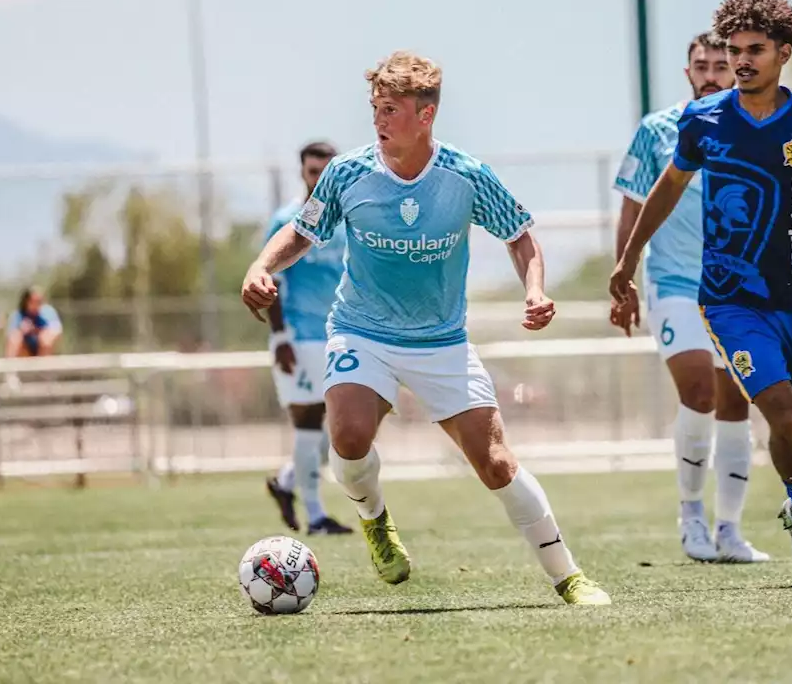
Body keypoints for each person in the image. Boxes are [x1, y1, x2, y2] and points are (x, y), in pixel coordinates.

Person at [241, 51, 610, 606]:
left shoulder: (465, 176)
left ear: (426, 115)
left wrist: (534, 288)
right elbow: (301, 232)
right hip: (362, 331)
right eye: (375, 109)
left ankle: (568, 576)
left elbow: (520, 235)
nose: (378, 120)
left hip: (442, 343)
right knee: (347, 436)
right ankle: (375, 519)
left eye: (390, 109)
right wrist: (261, 266)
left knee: (495, 463)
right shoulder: (348, 173)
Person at [610, 0, 792, 585]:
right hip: (727, 299)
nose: (742, 60)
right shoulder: (703, 122)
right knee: (782, 414)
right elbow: (668, 187)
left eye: (754, 50)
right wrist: (628, 260)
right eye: (734, 50)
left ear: (783, 53)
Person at [612, 31, 764, 564]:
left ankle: (730, 528)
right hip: (673, 283)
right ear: (688, 72)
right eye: (701, 66)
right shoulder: (657, 131)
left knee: (736, 400)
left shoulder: (749, 127)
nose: (711, 75)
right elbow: (633, 207)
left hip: (738, 287)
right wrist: (623, 273)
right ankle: (691, 515)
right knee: (699, 391)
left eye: (720, 66)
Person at [262, 141, 354, 536]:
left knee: (343, 427)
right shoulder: (287, 219)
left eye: (326, 170)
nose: (319, 178)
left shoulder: (347, 218)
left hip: (342, 334)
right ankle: (315, 517)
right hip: (299, 337)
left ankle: (285, 482)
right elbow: (273, 279)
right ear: (302, 172)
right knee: (308, 423)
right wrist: (281, 336)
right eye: (313, 171)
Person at [5, 287, 62, 358]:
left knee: (46, 339)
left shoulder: (48, 312)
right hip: (25, 350)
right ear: (26, 302)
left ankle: (45, 367)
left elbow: (57, 330)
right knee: (15, 339)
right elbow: (11, 336)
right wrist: (21, 330)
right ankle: (12, 367)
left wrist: (39, 331)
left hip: (43, 348)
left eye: (39, 301)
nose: (37, 305)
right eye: (33, 301)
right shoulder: (17, 316)